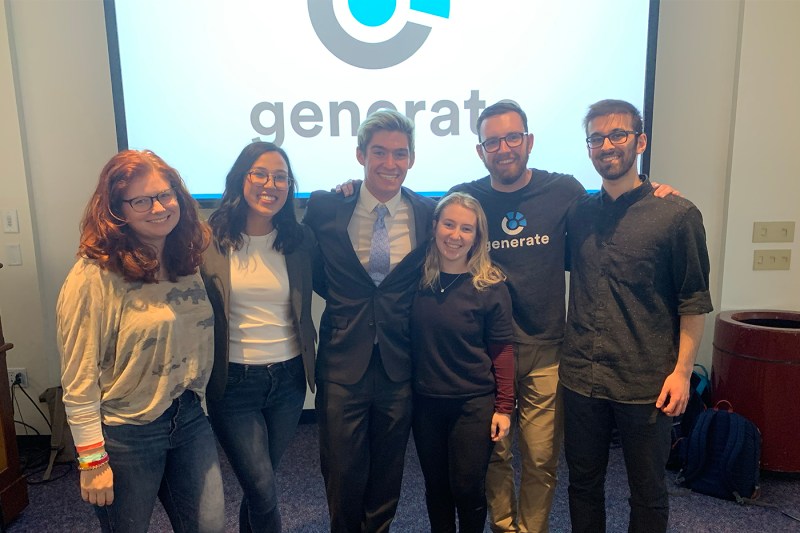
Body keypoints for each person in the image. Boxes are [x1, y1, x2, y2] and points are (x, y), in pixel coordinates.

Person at [450, 100, 678, 533]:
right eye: (493, 141)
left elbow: (616, 207)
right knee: (494, 454)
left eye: (513, 137)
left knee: (541, 458)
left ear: (529, 142)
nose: (504, 148)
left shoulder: (565, 192)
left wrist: (657, 194)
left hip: (547, 350)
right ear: (481, 151)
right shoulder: (468, 198)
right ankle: (503, 527)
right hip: (486, 353)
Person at [560, 99, 712, 533]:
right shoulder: (579, 213)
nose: (607, 146)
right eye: (596, 138)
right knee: (583, 484)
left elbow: (694, 300)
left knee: (647, 491)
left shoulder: (677, 215)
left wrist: (683, 372)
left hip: (645, 382)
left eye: (618, 135)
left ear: (640, 142)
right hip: (581, 377)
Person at [56, 150, 224, 533]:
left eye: (166, 195)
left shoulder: (186, 261)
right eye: (141, 200)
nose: (159, 207)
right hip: (126, 432)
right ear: (117, 210)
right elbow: (78, 376)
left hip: (188, 417)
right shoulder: (94, 276)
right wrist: (92, 460)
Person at [303, 109, 436, 532]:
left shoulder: (427, 212)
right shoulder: (327, 206)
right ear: (361, 154)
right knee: (342, 473)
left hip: (400, 364)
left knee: (387, 473)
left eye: (400, 154)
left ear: (412, 159)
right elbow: (318, 273)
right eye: (379, 152)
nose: (389, 163)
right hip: (343, 364)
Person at [201, 142, 317, 533]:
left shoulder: (299, 241)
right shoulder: (208, 242)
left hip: (288, 379)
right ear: (241, 179)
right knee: (264, 487)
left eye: (281, 177)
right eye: (261, 174)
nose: (271, 184)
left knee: (259, 484)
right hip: (234, 383)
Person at [410, 192, 515, 533]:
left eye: (466, 229)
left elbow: (502, 350)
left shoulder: (490, 285)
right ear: (435, 226)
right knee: (437, 490)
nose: (455, 236)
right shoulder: (415, 280)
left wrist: (503, 407)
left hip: (473, 404)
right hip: (425, 404)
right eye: (449, 224)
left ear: (478, 237)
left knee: (467, 488)